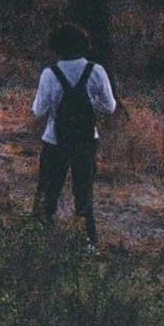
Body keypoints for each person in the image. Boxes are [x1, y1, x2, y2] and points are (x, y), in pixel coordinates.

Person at [32, 16, 117, 236]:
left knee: (47, 192)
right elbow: (109, 107)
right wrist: (91, 102)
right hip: (86, 140)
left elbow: (38, 111)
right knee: (84, 195)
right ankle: (88, 243)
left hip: (54, 139)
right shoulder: (96, 71)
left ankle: (37, 237)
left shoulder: (50, 74)